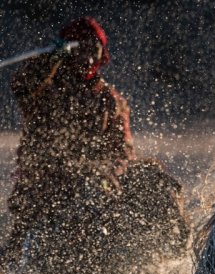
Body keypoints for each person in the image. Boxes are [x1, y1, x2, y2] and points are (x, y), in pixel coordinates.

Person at [4, 17, 133, 259]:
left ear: (102, 54)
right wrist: (48, 60)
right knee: (18, 244)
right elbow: (20, 86)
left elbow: (122, 151)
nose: (88, 57)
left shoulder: (110, 100)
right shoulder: (45, 89)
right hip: (43, 182)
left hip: (94, 183)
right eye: (80, 48)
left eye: (93, 49)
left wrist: (108, 174)